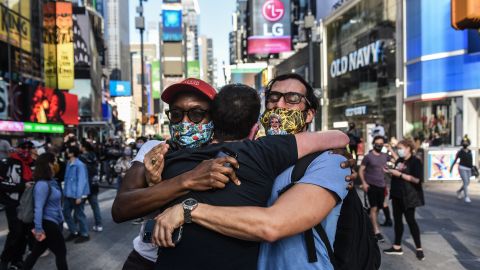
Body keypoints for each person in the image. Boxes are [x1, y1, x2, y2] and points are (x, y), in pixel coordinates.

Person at [112, 78, 352, 270]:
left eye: (196, 114)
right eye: (176, 114)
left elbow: (272, 225)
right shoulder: (161, 152)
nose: (185, 122)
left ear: (214, 118)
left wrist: (187, 208)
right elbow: (126, 209)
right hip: (147, 260)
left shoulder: (276, 152)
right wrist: (178, 181)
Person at [23, 153, 68, 270]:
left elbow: (57, 205)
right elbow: (38, 208)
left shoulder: (51, 182)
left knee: (35, 253)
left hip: (53, 223)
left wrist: (61, 219)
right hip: (48, 224)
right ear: (48, 164)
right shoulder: (42, 185)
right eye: (54, 162)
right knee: (61, 253)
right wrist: (38, 229)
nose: (56, 165)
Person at [383, 139, 425, 261]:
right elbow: (398, 164)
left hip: (409, 196)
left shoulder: (415, 162)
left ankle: (419, 248)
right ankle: (397, 246)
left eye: (401, 148)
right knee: (397, 221)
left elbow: (417, 180)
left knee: (411, 221)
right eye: (398, 148)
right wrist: (390, 171)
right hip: (396, 195)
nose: (399, 150)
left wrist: (399, 174)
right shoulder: (400, 160)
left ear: (408, 148)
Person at [0, 140, 34, 270]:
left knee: (25, 233)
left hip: (28, 204)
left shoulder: (33, 164)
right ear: (17, 148)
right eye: (23, 147)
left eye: (29, 147)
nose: (26, 150)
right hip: (13, 203)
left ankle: (17, 259)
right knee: (15, 232)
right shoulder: (7, 163)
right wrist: (21, 186)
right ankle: (5, 259)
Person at [359, 135, 389, 242]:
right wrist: (364, 183)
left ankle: (371, 225)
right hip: (371, 185)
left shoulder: (385, 155)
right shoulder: (368, 157)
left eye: (381, 144)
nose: (379, 146)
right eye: (377, 144)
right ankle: (376, 231)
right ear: (373, 144)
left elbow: (397, 159)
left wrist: (389, 148)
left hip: (382, 185)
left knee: (378, 208)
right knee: (374, 208)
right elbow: (361, 170)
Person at [63, 145, 90, 243]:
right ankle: (74, 231)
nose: (66, 153)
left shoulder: (79, 165)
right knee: (66, 213)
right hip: (68, 194)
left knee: (79, 215)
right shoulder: (68, 163)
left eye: (67, 151)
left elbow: (81, 181)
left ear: (72, 153)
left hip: (77, 195)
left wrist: (79, 196)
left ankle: (85, 234)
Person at [79, 141, 103, 232]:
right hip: (94, 184)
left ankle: (78, 225)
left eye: (81, 146)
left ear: (84, 147)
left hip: (85, 185)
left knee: (79, 207)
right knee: (95, 206)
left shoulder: (81, 158)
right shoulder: (94, 156)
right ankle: (99, 224)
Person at [450, 137, 473, 203]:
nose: (465, 143)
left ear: (468, 143)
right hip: (462, 168)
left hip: (468, 169)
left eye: (466, 142)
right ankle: (466, 196)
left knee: (467, 183)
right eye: (464, 142)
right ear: (462, 143)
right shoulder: (460, 152)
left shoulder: (470, 151)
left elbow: (470, 161)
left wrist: (472, 168)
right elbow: (455, 160)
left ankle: (459, 191)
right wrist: (451, 167)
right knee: (465, 181)